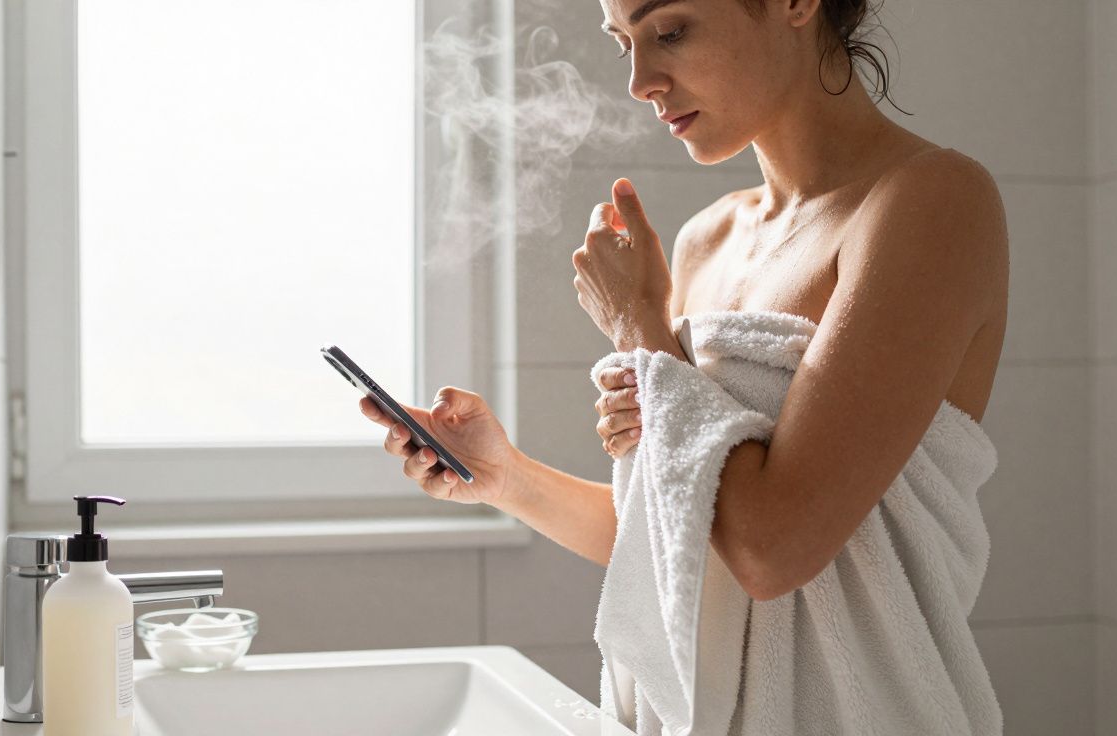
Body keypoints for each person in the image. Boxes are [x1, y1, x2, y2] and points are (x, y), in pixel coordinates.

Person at [360, 0, 1008, 724]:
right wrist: (505, 476)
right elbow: (680, 540)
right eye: (622, 44)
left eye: (669, 31)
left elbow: (771, 549)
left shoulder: (930, 201)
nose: (640, 81)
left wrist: (640, 328)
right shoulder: (705, 242)